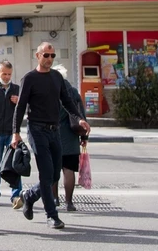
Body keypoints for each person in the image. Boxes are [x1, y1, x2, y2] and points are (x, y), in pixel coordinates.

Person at [13, 42, 91, 230]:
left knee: (55, 174)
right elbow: (20, 106)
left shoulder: (57, 77)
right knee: (47, 173)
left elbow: (67, 101)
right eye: (46, 55)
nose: (49, 59)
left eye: (52, 56)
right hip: (37, 130)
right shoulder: (29, 78)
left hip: (54, 130)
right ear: (38, 55)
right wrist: (15, 133)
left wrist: (80, 119)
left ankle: (29, 196)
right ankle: (52, 216)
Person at [52, 64, 87, 212]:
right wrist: (84, 136)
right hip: (71, 136)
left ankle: (54, 200)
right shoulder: (73, 92)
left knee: (53, 170)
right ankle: (69, 202)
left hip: (52, 135)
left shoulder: (51, 92)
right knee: (69, 170)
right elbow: (81, 115)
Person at [0, 60, 20, 208]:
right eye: (4, 74)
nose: (6, 77)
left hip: (12, 132)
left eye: (9, 74)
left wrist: (19, 102)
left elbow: (26, 109)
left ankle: (16, 195)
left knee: (15, 164)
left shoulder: (17, 89)